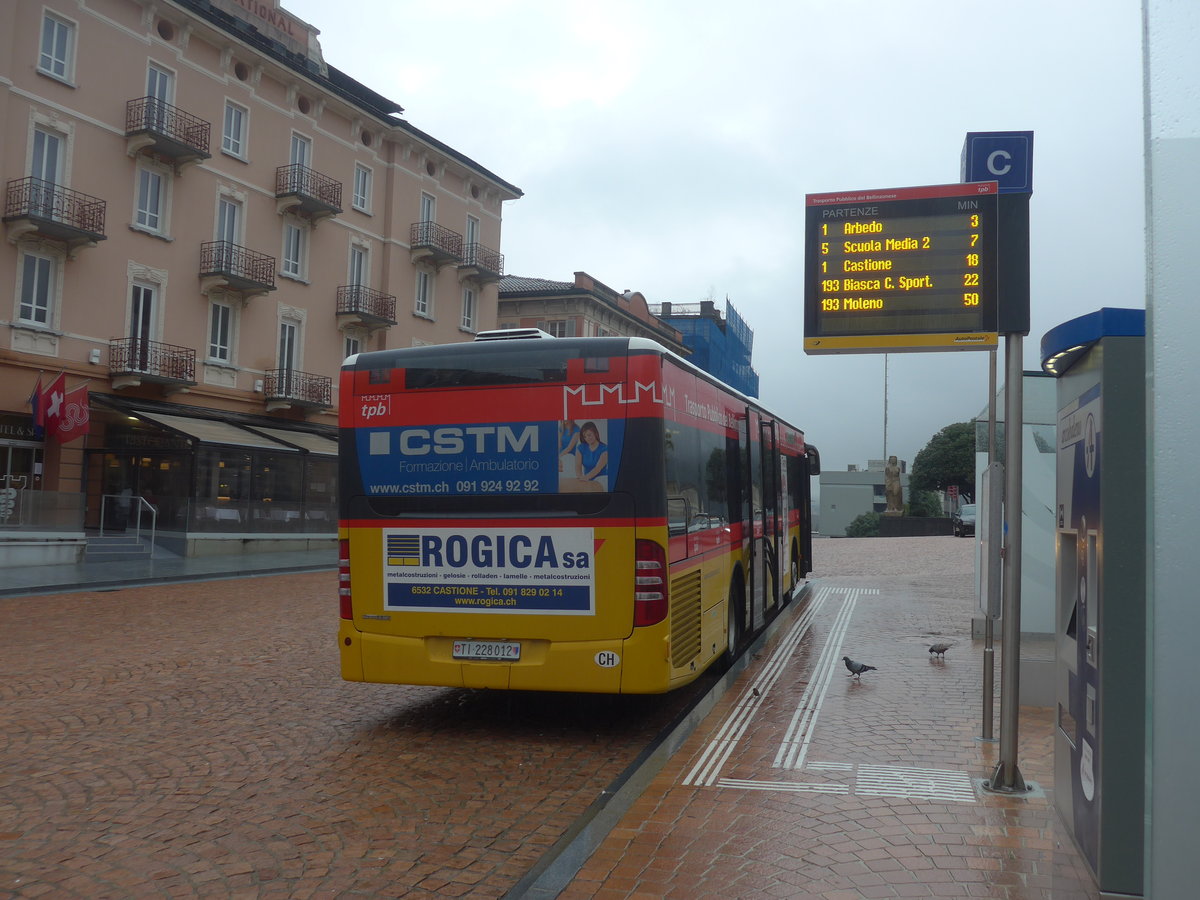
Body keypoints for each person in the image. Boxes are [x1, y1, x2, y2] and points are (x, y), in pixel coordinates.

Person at [572, 421, 608, 490]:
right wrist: (580, 477)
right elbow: (578, 465)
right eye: (585, 436)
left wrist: (586, 478)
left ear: (595, 433)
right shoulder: (580, 447)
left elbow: (598, 468)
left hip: (601, 479)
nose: (587, 438)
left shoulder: (605, 449)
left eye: (589, 435)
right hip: (587, 480)